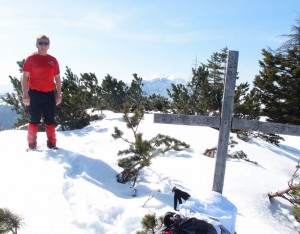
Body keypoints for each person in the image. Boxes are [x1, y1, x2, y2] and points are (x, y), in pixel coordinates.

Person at [21, 35, 62, 149]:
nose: (43, 45)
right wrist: (25, 93)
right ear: (36, 44)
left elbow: (57, 78)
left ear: (49, 45)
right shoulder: (30, 58)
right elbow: (24, 77)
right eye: (40, 43)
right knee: (34, 119)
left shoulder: (53, 60)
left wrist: (59, 94)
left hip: (49, 94)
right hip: (34, 94)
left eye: (45, 43)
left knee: (50, 119)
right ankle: (31, 145)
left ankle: (52, 144)